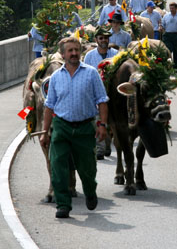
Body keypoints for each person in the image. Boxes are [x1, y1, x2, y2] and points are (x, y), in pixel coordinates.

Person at [39, 36, 109, 219]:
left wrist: (102, 124)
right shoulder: (55, 77)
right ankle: (63, 204)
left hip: (85, 127)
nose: (74, 53)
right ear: (63, 55)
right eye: (70, 51)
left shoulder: (91, 73)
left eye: (76, 50)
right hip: (61, 126)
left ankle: (90, 191)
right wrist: (45, 132)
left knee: (87, 169)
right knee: (58, 165)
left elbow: (102, 100)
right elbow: (49, 106)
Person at [83, 26, 118, 160]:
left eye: (106, 38)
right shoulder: (89, 56)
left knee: (109, 120)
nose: (104, 40)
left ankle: (108, 143)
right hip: (95, 93)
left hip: (112, 93)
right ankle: (100, 147)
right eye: (101, 38)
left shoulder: (115, 54)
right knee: (98, 119)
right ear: (96, 40)